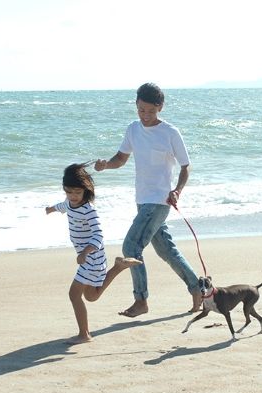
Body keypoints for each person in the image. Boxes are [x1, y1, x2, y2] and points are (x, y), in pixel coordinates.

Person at [94, 83, 201, 318]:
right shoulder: (133, 129)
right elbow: (121, 158)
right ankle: (198, 289)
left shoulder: (170, 133)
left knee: (131, 247)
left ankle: (140, 300)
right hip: (142, 200)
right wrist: (106, 165)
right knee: (167, 251)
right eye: (141, 110)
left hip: (160, 201)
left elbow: (186, 166)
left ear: (160, 107)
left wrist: (177, 190)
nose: (145, 116)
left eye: (150, 111)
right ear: (136, 105)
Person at [46, 163, 141, 344]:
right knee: (91, 296)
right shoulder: (70, 203)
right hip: (90, 258)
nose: (73, 197)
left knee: (74, 295)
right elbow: (63, 206)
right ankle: (118, 267)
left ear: (85, 191)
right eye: (68, 192)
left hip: (91, 258)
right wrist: (51, 209)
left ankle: (84, 334)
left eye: (77, 192)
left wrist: (85, 252)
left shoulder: (89, 210)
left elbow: (98, 235)